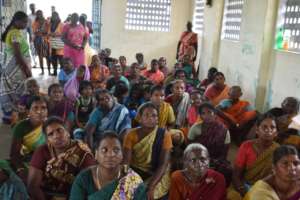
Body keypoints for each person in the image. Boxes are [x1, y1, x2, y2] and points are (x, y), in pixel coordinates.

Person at [27, 117, 96, 200]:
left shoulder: (83, 154)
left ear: (68, 133)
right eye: (51, 134)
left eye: (59, 130)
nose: (56, 136)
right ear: (48, 140)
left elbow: (87, 187)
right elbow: (33, 186)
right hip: (44, 195)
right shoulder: (42, 151)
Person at [70, 131, 147, 199]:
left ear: (122, 155)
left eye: (116, 150)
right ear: (96, 154)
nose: (110, 154)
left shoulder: (133, 181)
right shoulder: (84, 179)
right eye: (104, 150)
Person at [123, 102, 172, 200]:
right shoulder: (131, 135)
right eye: (146, 115)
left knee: (148, 195)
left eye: (154, 115)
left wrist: (151, 186)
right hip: (136, 169)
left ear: (158, 119)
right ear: (140, 118)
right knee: (124, 193)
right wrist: (125, 180)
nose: (150, 118)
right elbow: (126, 163)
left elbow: (163, 164)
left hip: (157, 171)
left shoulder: (164, 135)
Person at [228, 113, 280, 200]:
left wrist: (257, 192)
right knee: (232, 196)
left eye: (272, 127)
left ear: (276, 133)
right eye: (264, 127)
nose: (268, 130)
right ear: (257, 130)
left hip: (264, 188)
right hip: (244, 184)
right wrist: (243, 190)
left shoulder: (278, 150)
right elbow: (236, 175)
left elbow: (276, 178)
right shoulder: (246, 146)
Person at [0, 11, 32, 124]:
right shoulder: (14, 33)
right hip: (16, 68)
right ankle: (13, 117)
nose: (26, 24)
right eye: (24, 22)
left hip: (15, 67)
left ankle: (10, 116)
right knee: (18, 91)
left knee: (12, 91)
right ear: (16, 21)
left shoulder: (14, 32)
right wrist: (27, 70)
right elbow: (18, 55)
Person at [188, 103, 231, 183]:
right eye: (203, 113)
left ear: (214, 114)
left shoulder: (224, 130)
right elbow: (190, 148)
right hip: (198, 159)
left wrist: (214, 162)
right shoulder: (195, 128)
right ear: (200, 116)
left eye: (209, 112)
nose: (207, 116)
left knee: (227, 170)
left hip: (216, 160)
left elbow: (224, 152)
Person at [9, 96, 48, 181]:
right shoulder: (21, 127)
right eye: (35, 108)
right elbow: (14, 154)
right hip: (27, 161)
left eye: (43, 108)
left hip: (48, 162)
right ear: (28, 112)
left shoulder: (51, 125)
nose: (40, 111)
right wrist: (20, 169)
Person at [32, 10, 50, 75]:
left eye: (40, 13)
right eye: (38, 14)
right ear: (36, 15)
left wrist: (40, 32)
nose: (39, 15)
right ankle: (42, 71)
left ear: (42, 14)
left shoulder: (46, 22)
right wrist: (42, 32)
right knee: (40, 56)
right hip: (37, 41)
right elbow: (35, 32)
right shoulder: (35, 22)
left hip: (46, 40)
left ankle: (49, 71)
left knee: (47, 56)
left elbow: (48, 31)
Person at [48, 11, 64, 76]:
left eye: (55, 15)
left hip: (60, 45)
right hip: (53, 45)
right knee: (53, 59)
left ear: (58, 16)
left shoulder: (62, 24)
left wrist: (56, 35)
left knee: (61, 60)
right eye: (53, 16)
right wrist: (50, 34)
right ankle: (55, 72)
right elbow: (48, 33)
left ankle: (62, 73)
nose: (54, 17)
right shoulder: (50, 24)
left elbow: (64, 34)